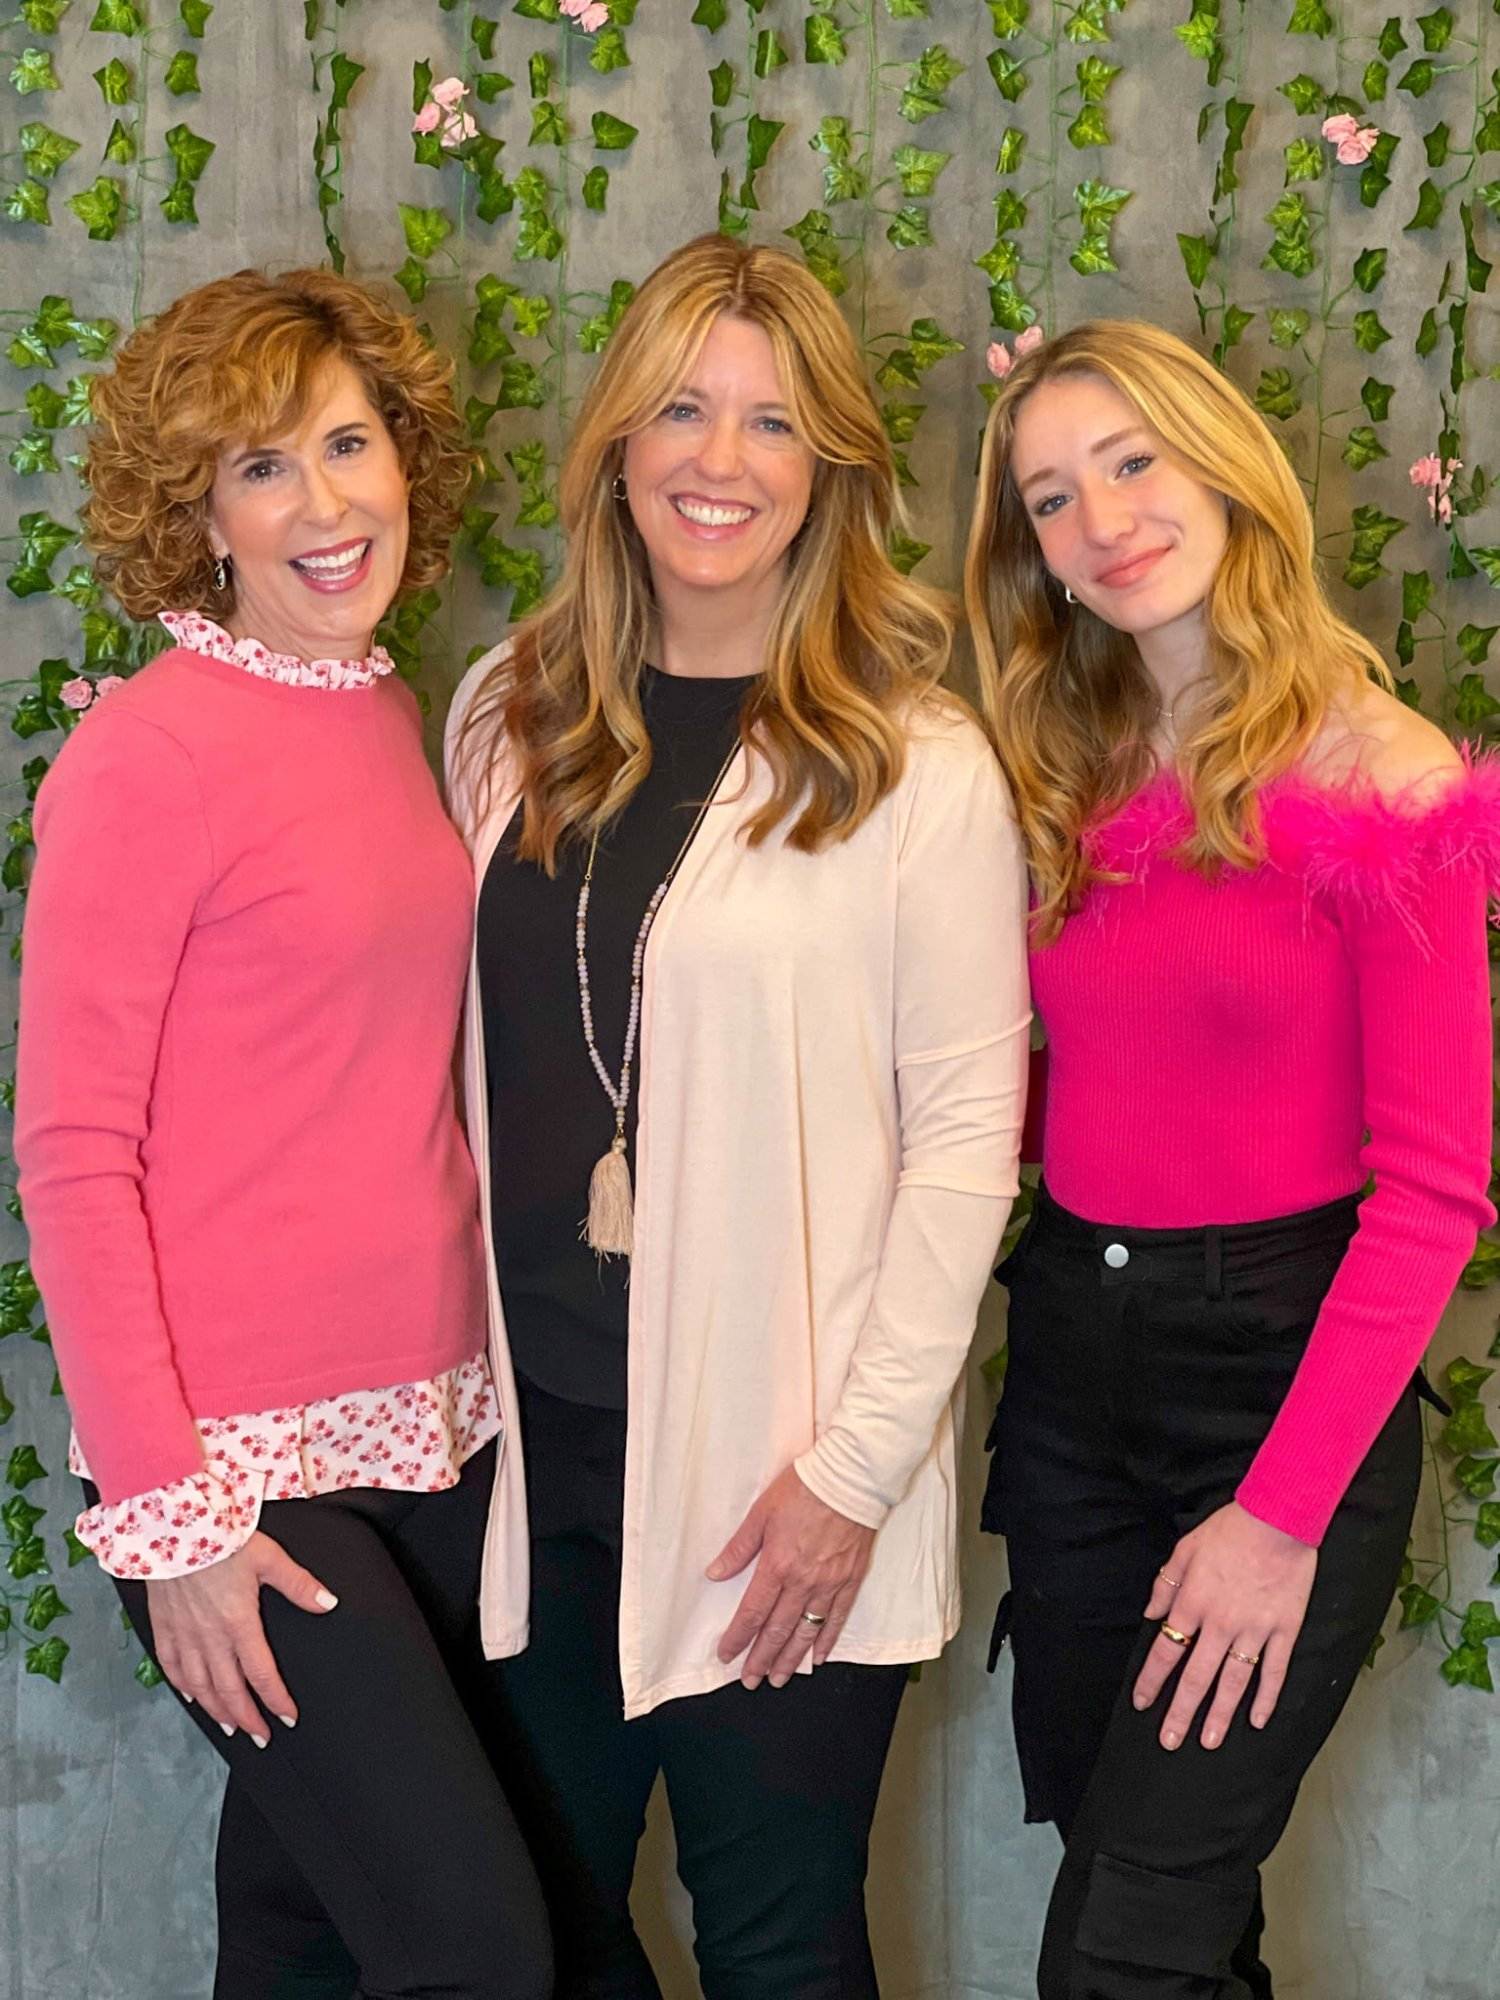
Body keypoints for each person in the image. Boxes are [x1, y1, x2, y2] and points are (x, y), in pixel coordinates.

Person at [444, 231, 1031, 1998]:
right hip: (540, 1455)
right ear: (617, 440)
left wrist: (851, 1476)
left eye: (773, 425)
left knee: (776, 1937)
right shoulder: (508, 709)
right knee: (536, 1924)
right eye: (682, 409)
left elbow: (964, 1153)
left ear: (831, 466)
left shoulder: (915, 761)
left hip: (779, 1477)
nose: (720, 461)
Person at [16, 268, 551, 2000]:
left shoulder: (391, 715)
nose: (326, 505)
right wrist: (173, 1517)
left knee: (304, 1931)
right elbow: (74, 1152)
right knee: (476, 1952)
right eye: (263, 467)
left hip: (430, 1443)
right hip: (243, 1487)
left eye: (347, 444)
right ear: (201, 515)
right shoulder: (147, 754)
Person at [963, 316, 1498, 2000]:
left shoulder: (1378, 771)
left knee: (1124, 1952)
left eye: (1133, 460)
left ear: (1223, 465)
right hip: (1069, 1378)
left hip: (1275, 1380)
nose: (1103, 518)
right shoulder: (1053, 767)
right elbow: (1072, 1088)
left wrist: (1279, 1516)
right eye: (1052, 497)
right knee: (1171, 1908)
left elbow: (1434, 1199)